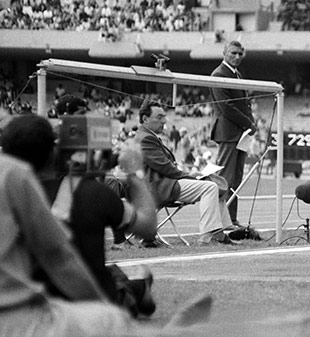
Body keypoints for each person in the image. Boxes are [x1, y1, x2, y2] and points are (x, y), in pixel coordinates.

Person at [2, 114, 158, 318]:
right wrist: (134, 172)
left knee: (113, 272)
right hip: (85, 306)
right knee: (118, 277)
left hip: (27, 305)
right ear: (53, 152)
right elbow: (147, 227)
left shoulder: (7, 198)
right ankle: (137, 288)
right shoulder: (90, 192)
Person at [135, 99, 245, 245]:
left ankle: (225, 230)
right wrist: (190, 176)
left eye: (164, 116)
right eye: (159, 117)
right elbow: (165, 168)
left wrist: (190, 174)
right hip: (158, 188)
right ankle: (209, 236)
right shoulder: (146, 138)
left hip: (164, 184)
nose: (164, 121)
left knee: (214, 183)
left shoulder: (147, 136)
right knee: (209, 187)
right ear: (145, 119)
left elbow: (165, 167)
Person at [210, 40, 257, 228]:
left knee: (236, 179)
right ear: (224, 53)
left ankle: (232, 219)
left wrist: (250, 123)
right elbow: (227, 107)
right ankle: (221, 221)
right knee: (225, 178)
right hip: (228, 133)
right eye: (233, 53)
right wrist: (249, 123)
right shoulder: (219, 74)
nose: (237, 57)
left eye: (240, 54)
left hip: (240, 133)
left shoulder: (236, 74)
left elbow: (244, 104)